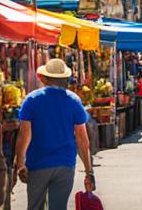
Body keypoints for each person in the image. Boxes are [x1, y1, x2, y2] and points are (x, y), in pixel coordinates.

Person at [14, 57, 93, 210]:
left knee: (35, 207)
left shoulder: (31, 100)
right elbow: (82, 139)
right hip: (65, 164)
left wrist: (20, 164)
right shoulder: (74, 100)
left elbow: (24, 135)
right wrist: (89, 171)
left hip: (38, 164)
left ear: (44, 78)